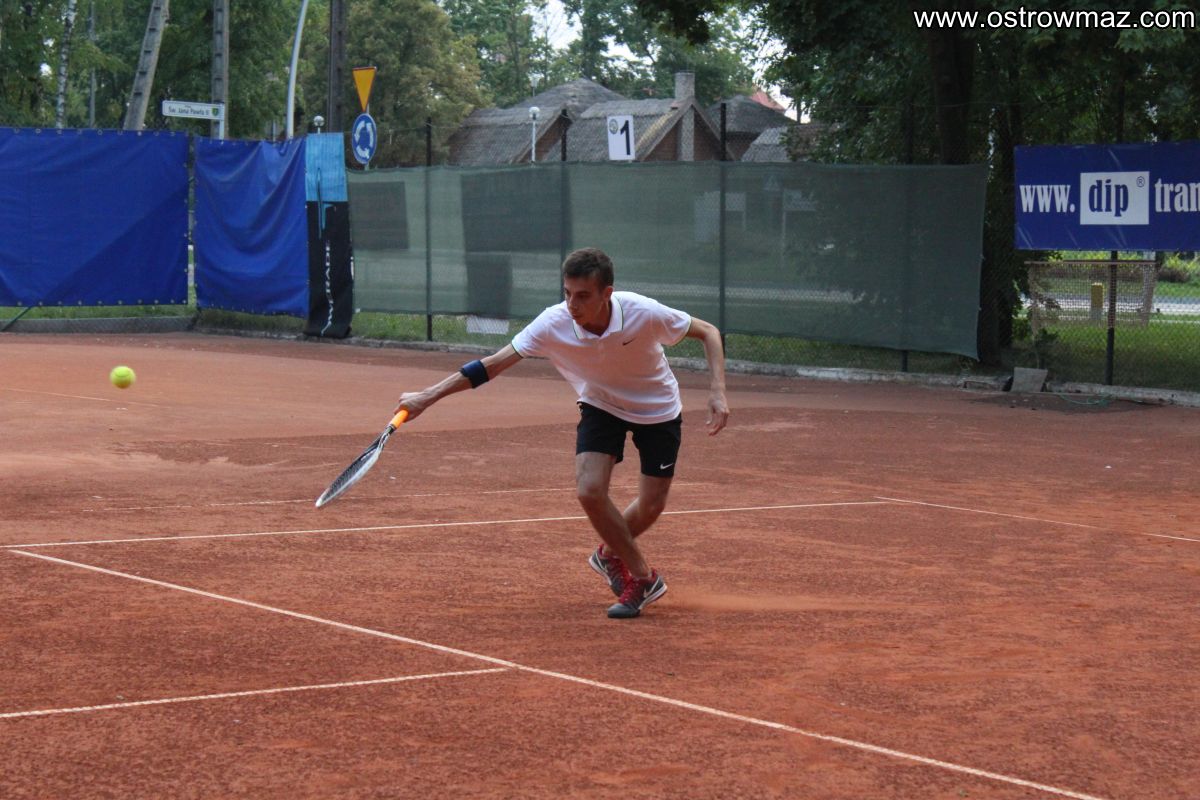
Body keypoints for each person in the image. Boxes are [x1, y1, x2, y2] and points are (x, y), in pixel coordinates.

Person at [396, 247, 729, 618]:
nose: (572, 304)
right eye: (567, 293)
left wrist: (717, 391)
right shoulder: (552, 322)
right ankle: (643, 577)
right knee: (589, 490)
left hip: (657, 408)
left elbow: (709, 332)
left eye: (583, 295)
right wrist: (427, 396)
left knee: (652, 505)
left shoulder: (642, 312)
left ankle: (609, 554)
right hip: (601, 404)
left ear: (607, 293)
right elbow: (490, 366)